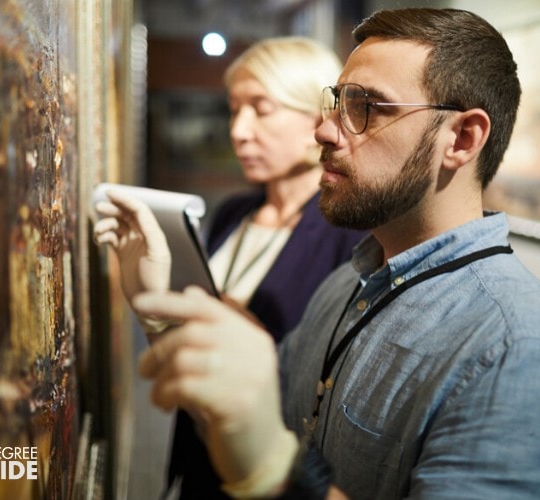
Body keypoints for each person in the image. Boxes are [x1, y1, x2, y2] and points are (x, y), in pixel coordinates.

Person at [98, 7, 540, 499]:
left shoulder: (525, 353)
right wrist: (156, 302)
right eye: (337, 101)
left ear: (462, 139)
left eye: (366, 107)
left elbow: (262, 441)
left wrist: (277, 471)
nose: (324, 130)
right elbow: (239, 398)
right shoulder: (349, 284)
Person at [96, 37, 365, 499]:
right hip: (200, 457)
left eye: (261, 109)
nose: (238, 130)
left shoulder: (350, 238)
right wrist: (152, 302)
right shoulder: (233, 212)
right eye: (234, 109)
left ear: (317, 117)